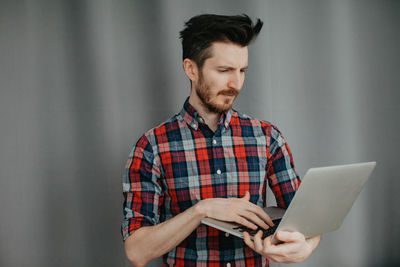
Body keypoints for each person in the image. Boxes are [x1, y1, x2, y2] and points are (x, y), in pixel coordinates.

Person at [122, 14, 321, 267]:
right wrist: (201, 211)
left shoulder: (267, 137)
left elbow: (309, 221)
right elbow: (137, 251)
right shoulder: (151, 147)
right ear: (191, 69)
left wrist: (305, 246)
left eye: (242, 71)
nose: (235, 83)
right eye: (224, 70)